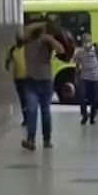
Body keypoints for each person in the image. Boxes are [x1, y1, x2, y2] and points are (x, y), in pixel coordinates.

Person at [19, 19, 66, 150]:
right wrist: (43, 24)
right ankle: (31, 139)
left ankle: (47, 138)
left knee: (45, 111)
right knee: (32, 110)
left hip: (45, 81)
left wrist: (50, 40)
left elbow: (61, 50)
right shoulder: (26, 40)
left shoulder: (47, 42)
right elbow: (26, 31)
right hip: (30, 81)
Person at [72, 32, 98, 125]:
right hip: (84, 77)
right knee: (81, 97)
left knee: (95, 99)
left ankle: (93, 116)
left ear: (91, 41)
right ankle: (84, 115)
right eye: (84, 42)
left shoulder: (96, 50)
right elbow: (77, 65)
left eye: (87, 41)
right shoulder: (79, 52)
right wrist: (76, 77)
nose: (86, 44)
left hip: (95, 77)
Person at [3, 37, 27, 126]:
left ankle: (29, 117)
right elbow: (8, 62)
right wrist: (7, 66)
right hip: (18, 78)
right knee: (23, 99)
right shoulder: (12, 50)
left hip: (28, 78)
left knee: (27, 99)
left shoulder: (27, 49)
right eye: (18, 39)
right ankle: (26, 118)